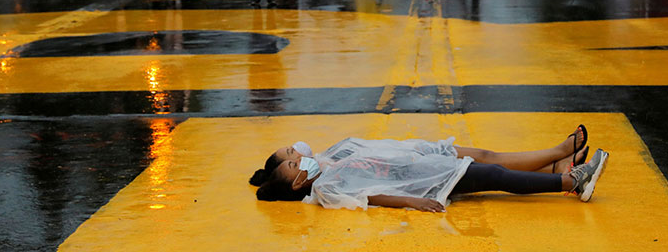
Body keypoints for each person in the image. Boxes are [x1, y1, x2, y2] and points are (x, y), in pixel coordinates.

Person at [249, 126, 609, 210]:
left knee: (490, 167)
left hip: (419, 166)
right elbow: (369, 196)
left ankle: (559, 168)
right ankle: (571, 180)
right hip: (420, 181)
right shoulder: (324, 188)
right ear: (297, 183)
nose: (299, 156)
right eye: (294, 161)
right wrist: (413, 202)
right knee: (494, 176)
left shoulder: (326, 168)